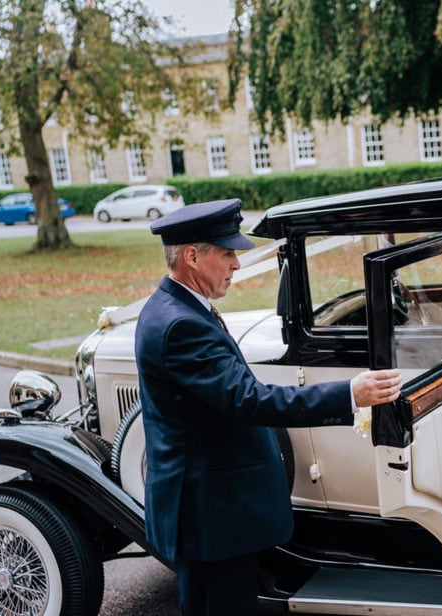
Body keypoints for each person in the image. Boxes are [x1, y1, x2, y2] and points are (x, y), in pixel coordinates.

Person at [135, 199, 402, 616]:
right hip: (211, 515)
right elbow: (249, 400)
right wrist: (350, 393)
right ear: (191, 256)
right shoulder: (180, 324)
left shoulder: (176, 308)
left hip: (212, 507)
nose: (236, 265)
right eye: (227, 253)